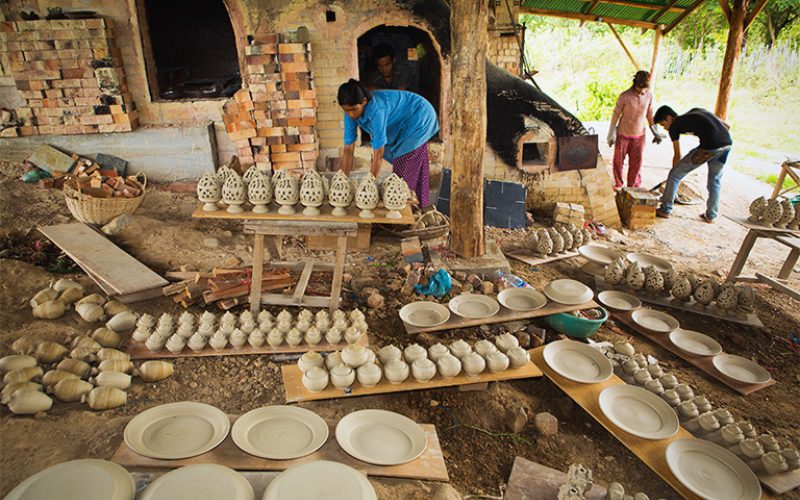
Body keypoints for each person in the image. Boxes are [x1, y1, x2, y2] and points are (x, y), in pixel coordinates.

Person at [338, 79, 439, 208]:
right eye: (346, 110)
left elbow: (378, 153)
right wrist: (343, 180)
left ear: (363, 101)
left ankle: (406, 212)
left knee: (402, 170)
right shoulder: (350, 112)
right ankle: (421, 207)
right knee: (414, 164)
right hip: (404, 121)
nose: (350, 114)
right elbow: (348, 149)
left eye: (353, 109)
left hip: (419, 115)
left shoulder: (377, 109)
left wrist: (370, 183)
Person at [653, 105, 732, 223]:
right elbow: (727, 126)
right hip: (727, 144)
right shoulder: (695, 111)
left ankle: (665, 209)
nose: (665, 129)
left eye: (663, 124)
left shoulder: (675, 126)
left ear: (669, 118)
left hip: (710, 147)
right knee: (714, 181)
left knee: (675, 175)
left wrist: (674, 173)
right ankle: (711, 215)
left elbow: (677, 155)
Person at [607, 70, 665, 189]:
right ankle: (618, 183)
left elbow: (650, 114)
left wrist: (655, 132)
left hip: (639, 136)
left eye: (644, 88)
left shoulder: (648, 95)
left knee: (636, 163)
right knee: (618, 162)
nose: (641, 91)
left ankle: (632, 186)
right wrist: (611, 133)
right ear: (635, 84)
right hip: (623, 134)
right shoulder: (625, 96)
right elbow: (616, 114)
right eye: (639, 88)